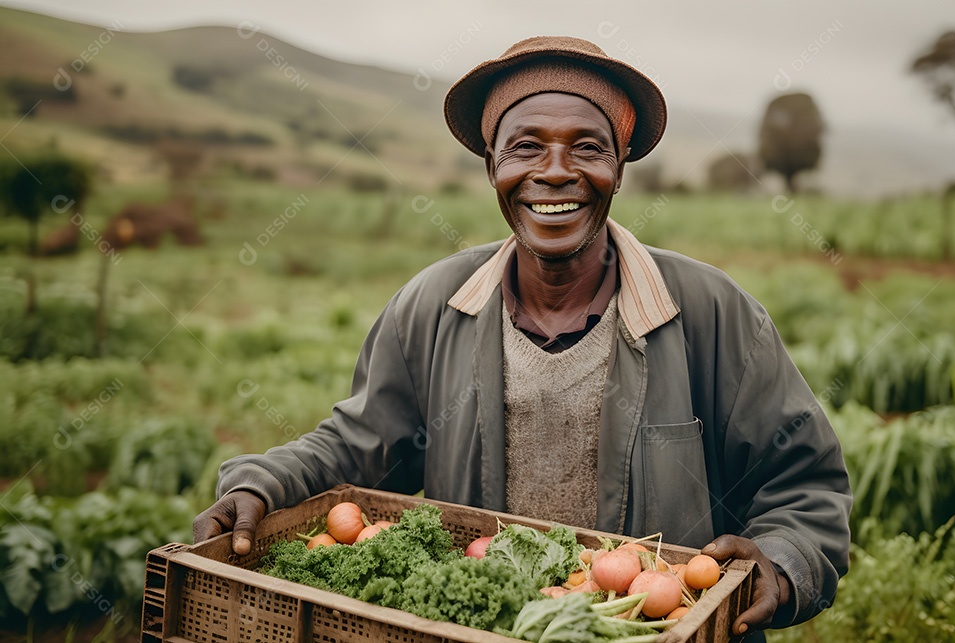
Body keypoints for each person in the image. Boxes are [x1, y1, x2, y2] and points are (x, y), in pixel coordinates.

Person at [194, 35, 851, 638]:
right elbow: (358, 445)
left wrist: (783, 558)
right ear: (492, 166)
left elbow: (804, 483)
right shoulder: (432, 308)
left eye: (587, 147)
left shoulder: (711, 313)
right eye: (526, 146)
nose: (556, 170)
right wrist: (263, 483)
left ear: (620, 168)